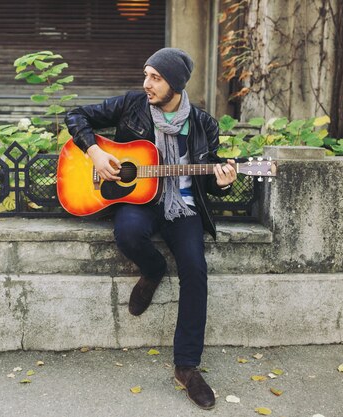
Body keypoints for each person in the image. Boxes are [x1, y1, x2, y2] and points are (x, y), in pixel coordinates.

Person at [64, 47, 237, 410]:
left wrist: (223, 181)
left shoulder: (204, 124)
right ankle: (154, 268)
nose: (146, 84)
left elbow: (210, 178)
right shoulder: (132, 105)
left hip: (182, 207)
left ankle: (187, 367)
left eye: (155, 78)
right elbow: (75, 115)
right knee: (127, 233)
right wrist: (94, 151)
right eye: (146, 75)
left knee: (195, 268)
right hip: (141, 201)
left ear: (174, 83)